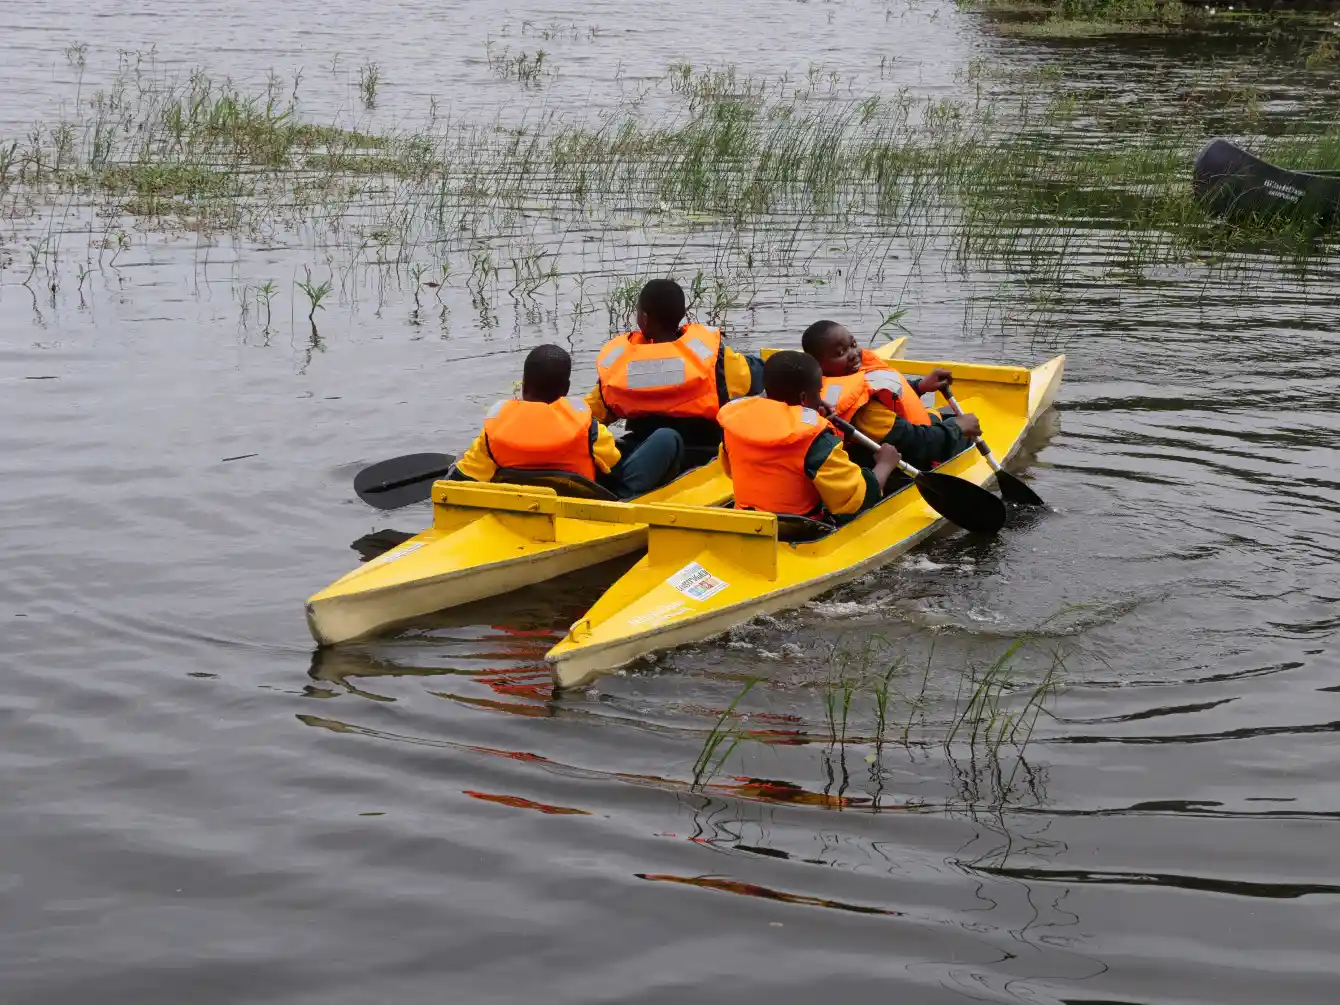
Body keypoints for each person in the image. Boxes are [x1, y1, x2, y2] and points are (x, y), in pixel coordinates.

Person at [454, 344, 682, 499]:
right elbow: (613, 464)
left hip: (522, 502)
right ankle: (630, 501)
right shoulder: (589, 428)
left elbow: (462, 479)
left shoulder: (493, 431)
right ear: (566, 389)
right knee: (667, 438)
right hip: (585, 504)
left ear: (523, 386)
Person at [587, 278, 763, 472]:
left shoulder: (620, 367)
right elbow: (758, 377)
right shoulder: (715, 361)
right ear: (683, 315)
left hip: (643, 455)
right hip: (705, 454)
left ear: (644, 318)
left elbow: (590, 416)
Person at [716, 351, 902, 526]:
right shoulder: (816, 440)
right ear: (804, 397)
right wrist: (885, 464)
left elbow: (730, 471)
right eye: (819, 392)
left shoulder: (733, 424)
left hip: (746, 520)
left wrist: (809, 414)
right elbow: (855, 499)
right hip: (799, 529)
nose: (821, 397)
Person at [801, 320, 982, 472]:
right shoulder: (867, 413)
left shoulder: (836, 385)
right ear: (818, 366)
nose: (853, 354)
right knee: (960, 430)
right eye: (840, 353)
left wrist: (920, 386)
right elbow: (918, 442)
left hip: (899, 438)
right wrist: (958, 428)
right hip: (904, 462)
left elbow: (887, 396)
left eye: (853, 344)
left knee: (943, 417)